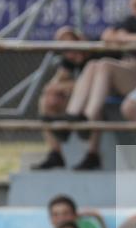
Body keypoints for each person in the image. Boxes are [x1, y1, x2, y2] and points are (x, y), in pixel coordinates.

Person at [56, 0, 136, 170]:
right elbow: (108, 35)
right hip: (133, 78)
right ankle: (74, 117)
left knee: (105, 65)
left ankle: (87, 117)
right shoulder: (130, 21)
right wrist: (131, 38)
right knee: (97, 64)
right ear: (132, 6)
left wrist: (126, 38)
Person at [33, 27, 92, 170]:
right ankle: (56, 153)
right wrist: (55, 90)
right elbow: (53, 85)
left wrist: (63, 87)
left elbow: (88, 84)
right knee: (45, 101)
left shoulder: (92, 54)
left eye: (71, 45)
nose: (69, 52)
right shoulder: (68, 61)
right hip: (78, 101)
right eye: (64, 49)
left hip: (97, 99)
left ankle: (92, 154)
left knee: (93, 105)